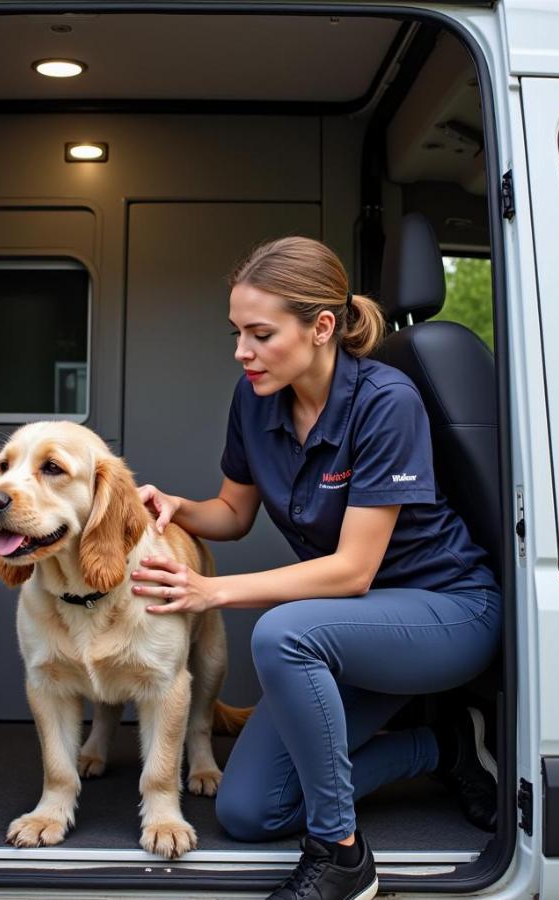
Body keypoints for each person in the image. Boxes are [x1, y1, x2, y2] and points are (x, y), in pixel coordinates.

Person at [131, 236, 502, 900]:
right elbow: (232, 512)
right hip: (355, 631)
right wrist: (178, 507)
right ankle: (442, 748)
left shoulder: (386, 401)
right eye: (237, 332)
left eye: (260, 333)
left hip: (445, 612)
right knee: (249, 813)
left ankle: (340, 854)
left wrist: (211, 590)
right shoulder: (255, 399)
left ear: (321, 327)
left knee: (284, 633)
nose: (241, 351)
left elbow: (355, 571)